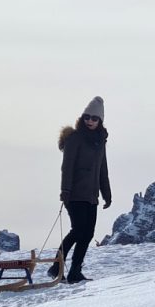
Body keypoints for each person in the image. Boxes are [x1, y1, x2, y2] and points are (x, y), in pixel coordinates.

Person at [50, 96, 111, 283]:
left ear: (100, 120)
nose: (90, 121)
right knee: (78, 230)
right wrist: (65, 190)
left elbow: (102, 169)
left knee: (88, 233)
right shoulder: (75, 139)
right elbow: (67, 166)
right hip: (75, 193)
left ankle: (75, 271)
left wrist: (107, 194)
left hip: (91, 196)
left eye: (94, 118)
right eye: (87, 117)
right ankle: (56, 267)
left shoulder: (100, 141)